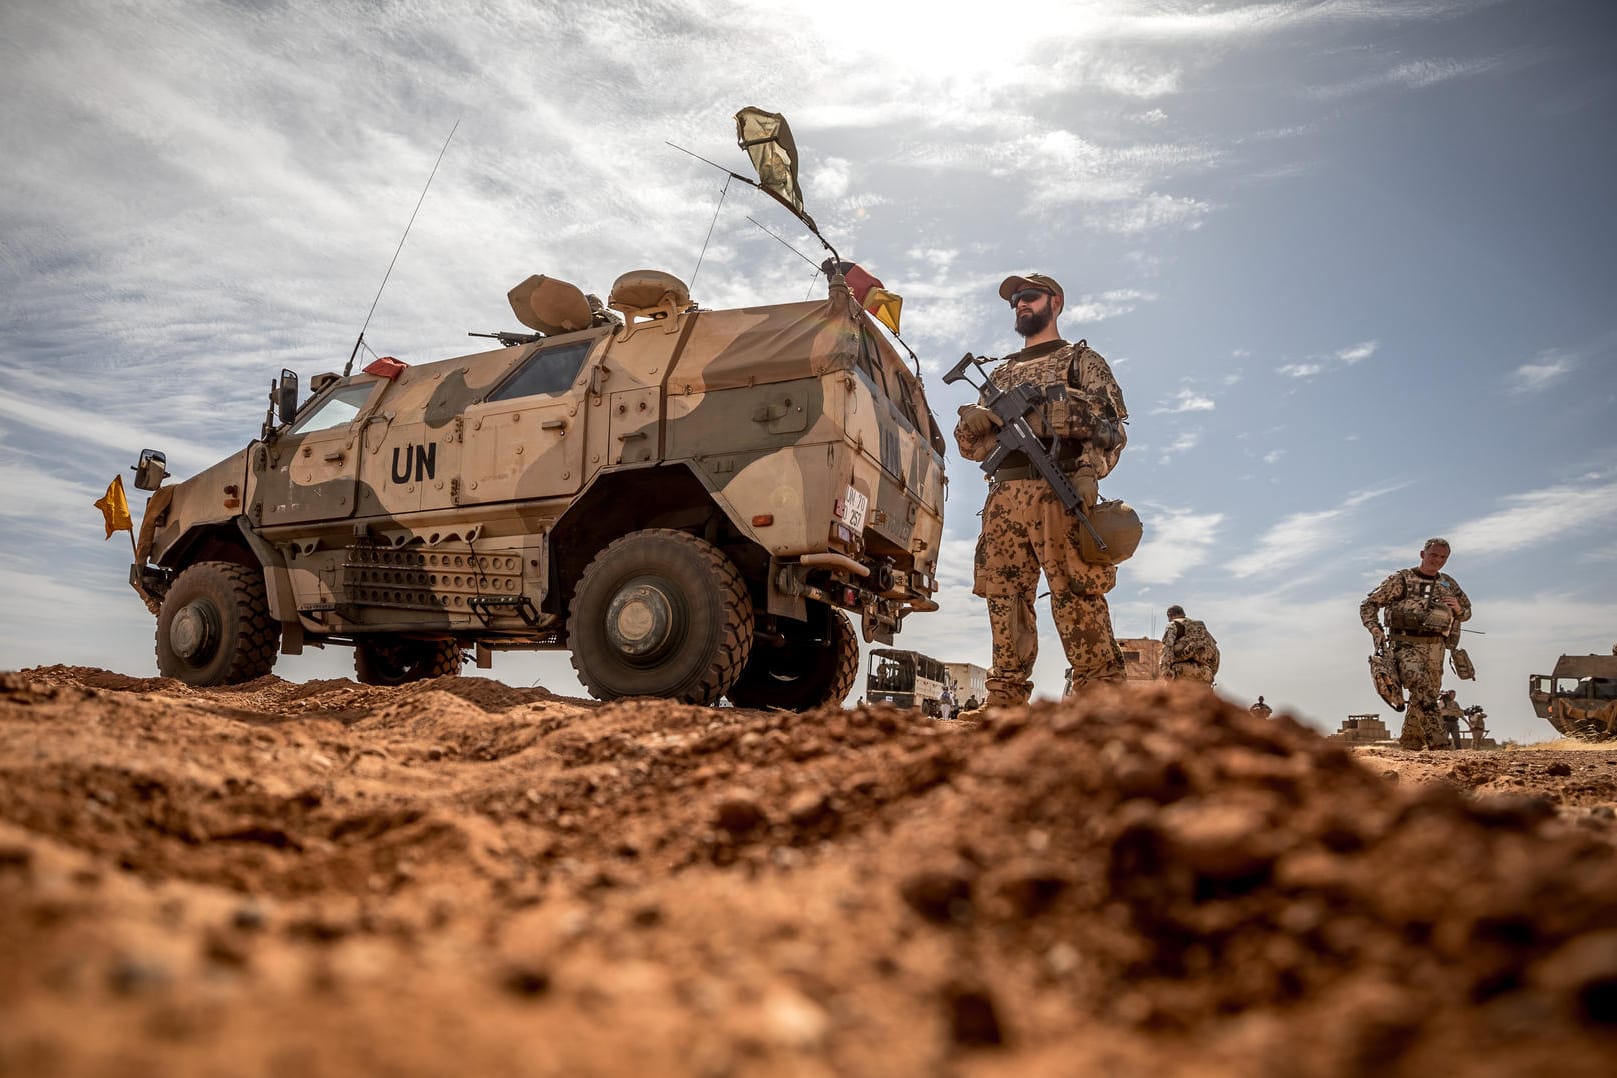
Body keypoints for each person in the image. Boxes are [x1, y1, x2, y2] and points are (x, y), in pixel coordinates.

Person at [954, 273, 1129, 708]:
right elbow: (970, 448)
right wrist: (972, 421)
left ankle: (1100, 704)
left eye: (1029, 297)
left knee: (1078, 594)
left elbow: (1111, 429)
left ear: (1056, 302)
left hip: (1061, 488)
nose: (1020, 305)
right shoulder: (1000, 373)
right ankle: (1005, 703)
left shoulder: (1080, 362)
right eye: (1014, 300)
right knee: (1004, 600)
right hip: (1004, 498)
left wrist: (1089, 471)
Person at [1360, 537, 1472, 751]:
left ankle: (1411, 743)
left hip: (1436, 647)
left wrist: (1459, 609)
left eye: (1443, 557)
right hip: (1405, 643)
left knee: (1428, 692)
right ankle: (1439, 743)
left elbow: (1466, 613)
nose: (1437, 561)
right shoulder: (1401, 580)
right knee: (1421, 688)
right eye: (1433, 555)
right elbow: (1369, 604)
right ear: (1422, 554)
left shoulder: (1448, 583)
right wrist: (1375, 629)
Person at [1159, 605, 1220, 683]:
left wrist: (1165, 670)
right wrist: (1211, 673)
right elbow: (1216, 653)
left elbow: (1167, 647)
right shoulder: (1202, 628)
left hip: (1182, 672)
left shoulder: (1174, 625)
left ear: (1170, 615)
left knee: (1174, 695)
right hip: (1205, 674)